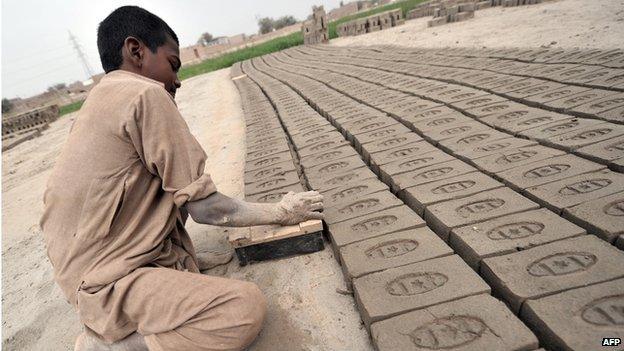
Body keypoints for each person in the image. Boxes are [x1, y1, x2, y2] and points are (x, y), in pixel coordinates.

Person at [39, 6, 323, 351]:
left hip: (83, 273)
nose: (177, 79)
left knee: (172, 186)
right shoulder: (145, 94)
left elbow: (167, 193)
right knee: (243, 308)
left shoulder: (100, 100)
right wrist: (282, 212)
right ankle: (111, 346)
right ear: (136, 51)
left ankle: (160, 279)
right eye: (173, 64)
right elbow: (207, 209)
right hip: (109, 284)